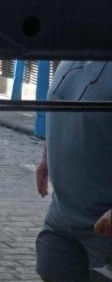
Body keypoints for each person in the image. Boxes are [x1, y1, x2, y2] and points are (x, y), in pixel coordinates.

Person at [35, 61, 112, 281]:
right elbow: (61, 105)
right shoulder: (74, 48)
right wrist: (47, 156)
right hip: (62, 216)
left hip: (104, 230)